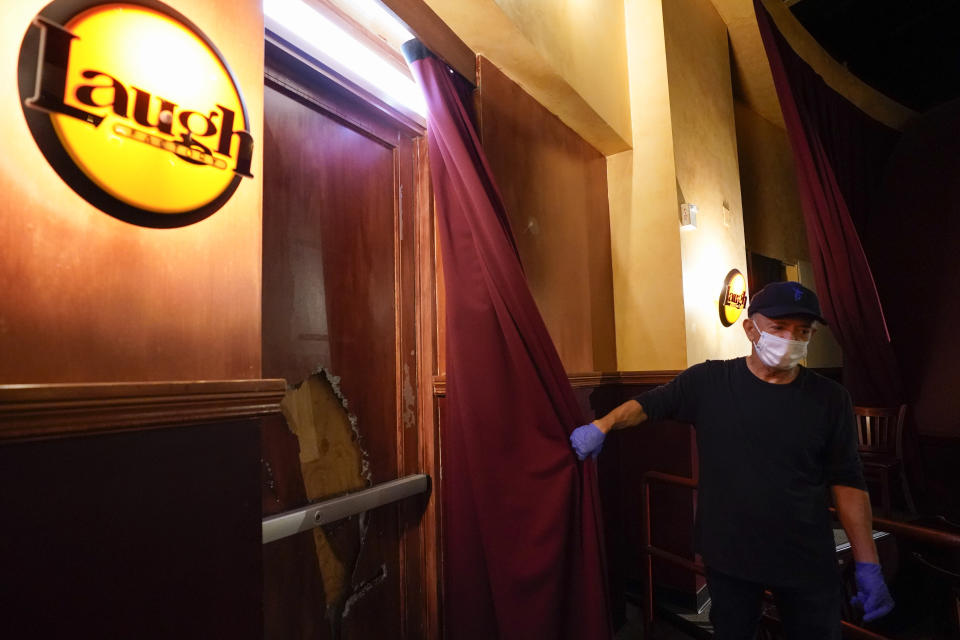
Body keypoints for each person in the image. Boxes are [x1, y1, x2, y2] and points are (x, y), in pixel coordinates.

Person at [570, 281, 894, 640]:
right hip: (729, 555)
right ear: (750, 328)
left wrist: (868, 561)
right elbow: (650, 405)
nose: (792, 339)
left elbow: (848, 481)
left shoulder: (831, 398)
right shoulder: (710, 381)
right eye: (779, 328)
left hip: (805, 556)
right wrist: (602, 425)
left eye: (803, 331)